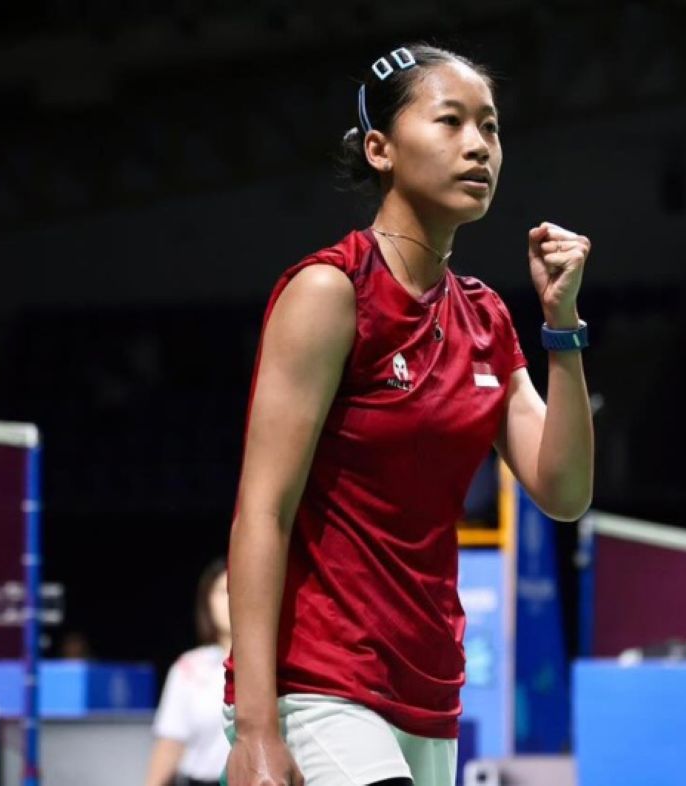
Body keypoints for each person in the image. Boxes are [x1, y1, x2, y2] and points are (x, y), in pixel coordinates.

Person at [224, 43, 594, 786]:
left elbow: (564, 490)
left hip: (429, 689)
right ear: (380, 150)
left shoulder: (484, 319)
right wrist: (257, 729)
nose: (478, 146)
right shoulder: (332, 293)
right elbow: (262, 511)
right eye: (450, 121)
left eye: (490, 127)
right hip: (320, 680)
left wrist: (563, 327)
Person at [145, 559, 232, 786]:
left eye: (238, 589)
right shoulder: (189, 668)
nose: (231, 599)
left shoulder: (280, 665)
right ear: (207, 601)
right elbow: (170, 744)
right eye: (222, 591)